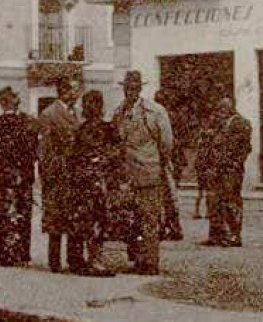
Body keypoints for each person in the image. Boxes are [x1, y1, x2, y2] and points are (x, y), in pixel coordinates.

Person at [113, 71, 173, 275]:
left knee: (149, 219)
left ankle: (150, 262)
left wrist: (156, 164)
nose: (130, 91)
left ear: (139, 89)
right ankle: (137, 259)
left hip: (148, 172)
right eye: (126, 87)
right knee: (131, 220)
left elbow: (166, 143)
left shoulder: (154, 111)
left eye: (134, 87)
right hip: (127, 176)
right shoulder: (119, 112)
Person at [0, 87, 38, 266]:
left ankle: (2, 255)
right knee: (22, 214)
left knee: (1, 216)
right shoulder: (27, 121)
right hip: (22, 177)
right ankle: (21, 254)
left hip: (2, 179)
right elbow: (33, 151)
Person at [69, 90, 120, 276]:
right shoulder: (108, 129)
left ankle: (82, 261)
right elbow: (116, 156)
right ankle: (95, 260)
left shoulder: (81, 130)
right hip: (98, 183)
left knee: (86, 221)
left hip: (84, 183)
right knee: (98, 221)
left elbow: (73, 158)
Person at [38, 78, 83, 272]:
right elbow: (43, 150)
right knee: (56, 219)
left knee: (75, 217)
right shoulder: (48, 114)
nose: (77, 93)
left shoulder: (78, 113)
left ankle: (75, 259)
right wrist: (49, 174)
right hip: (57, 174)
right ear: (63, 91)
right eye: (74, 89)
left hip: (75, 175)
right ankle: (54, 261)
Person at [205, 95, 252, 248]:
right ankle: (217, 234)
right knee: (214, 200)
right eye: (219, 108)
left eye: (224, 108)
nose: (221, 111)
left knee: (231, 201)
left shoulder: (240, 123)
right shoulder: (219, 123)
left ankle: (234, 234)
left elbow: (244, 148)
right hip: (216, 168)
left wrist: (233, 162)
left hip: (231, 169)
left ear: (232, 107)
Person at [153, 88, 185, 241]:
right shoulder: (170, 116)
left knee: (167, 197)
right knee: (170, 197)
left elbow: (170, 142)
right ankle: (171, 226)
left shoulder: (164, 117)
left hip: (167, 162)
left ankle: (169, 227)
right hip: (169, 161)